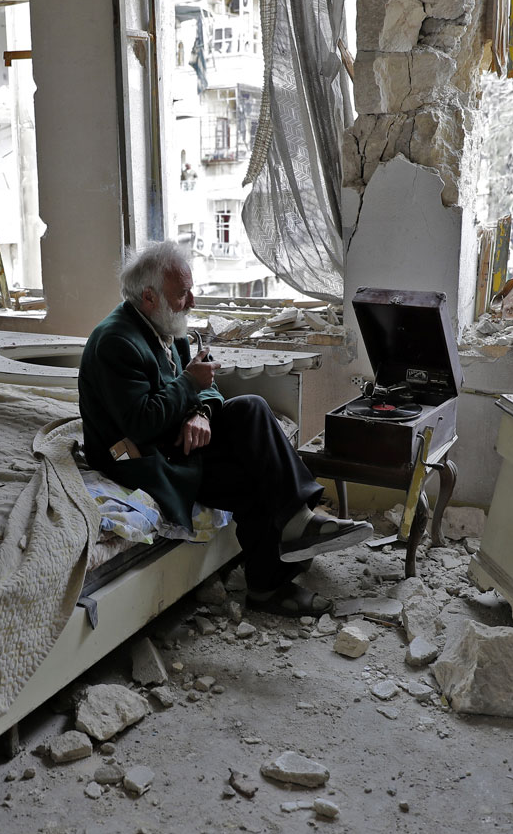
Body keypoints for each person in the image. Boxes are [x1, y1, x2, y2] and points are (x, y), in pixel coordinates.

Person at [78, 241, 370, 615]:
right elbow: (141, 424)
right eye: (182, 294)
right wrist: (188, 385)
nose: (193, 302)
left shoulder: (169, 327)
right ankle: (272, 579)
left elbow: (211, 387)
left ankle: (297, 528)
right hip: (142, 458)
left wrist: (201, 412)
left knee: (251, 409)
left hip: (176, 440)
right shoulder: (116, 342)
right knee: (255, 477)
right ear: (149, 297)